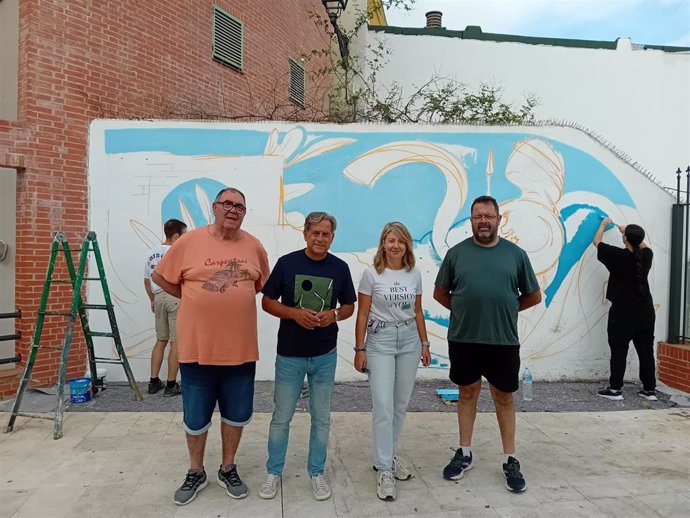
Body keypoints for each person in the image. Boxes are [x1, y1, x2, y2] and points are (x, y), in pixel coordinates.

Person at [152, 187, 270, 506]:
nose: (233, 210)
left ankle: (228, 467)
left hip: (240, 350)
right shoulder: (189, 242)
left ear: (245, 213)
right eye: (227, 204)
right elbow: (161, 277)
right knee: (196, 416)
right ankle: (196, 471)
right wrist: (192, 298)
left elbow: (262, 285)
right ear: (215, 207)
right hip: (197, 350)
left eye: (240, 206)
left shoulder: (254, 246)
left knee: (236, 415)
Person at [433, 195, 541, 493]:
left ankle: (510, 458)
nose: (483, 221)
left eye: (488, 216)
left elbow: (533, 296)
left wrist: (503, 309)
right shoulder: (456, 254)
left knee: (503, 398)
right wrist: (467, 310)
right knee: (467, 394)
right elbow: (440, 293)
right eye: (478, 216)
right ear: (471, 220)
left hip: (503, 340)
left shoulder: (515, 255)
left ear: (498, 219)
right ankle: (464, 452)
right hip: (464, 338)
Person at [258, 211, 356, 502]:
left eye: (325, 234)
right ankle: (273, 472)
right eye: (315, 233)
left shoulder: (340, 268)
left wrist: (335, 314)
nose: (320, 239)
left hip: (325, 354)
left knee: (321, 417)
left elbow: (350, 304)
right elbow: (266, 301)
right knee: (281, 417)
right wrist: (293, 314)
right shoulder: (287, 263)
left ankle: (317, 472)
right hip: (289, 354)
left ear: (332, 237)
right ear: (305, 234)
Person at [353, 222, 431, 501]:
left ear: (407, 245)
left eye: (400, 241)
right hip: (380, 341)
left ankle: (387, 454)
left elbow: (418, 310)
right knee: (383, 404)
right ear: (383, 244)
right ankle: (384, 468)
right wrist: (359, 348)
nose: (395, 245)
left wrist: (424, 343)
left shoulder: (414, 274)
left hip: (409, 340)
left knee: (399, 405)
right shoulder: (371, 274)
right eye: (390, 240)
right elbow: (362, 314)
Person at [593, 217, 657, 401]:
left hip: (622, 313)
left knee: (619, 350)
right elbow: (643, 246)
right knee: (646, 351)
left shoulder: (617, 256)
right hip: (645, 312)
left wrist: (603, 225)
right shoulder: (646, 256)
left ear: (625, 239)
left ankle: (615, 390)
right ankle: (649, 390)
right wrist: (627, 232)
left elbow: (597, 242)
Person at [144, 218, 187, 396]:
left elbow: (147, 280)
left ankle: (153, 382)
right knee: (176, 342)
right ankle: (171, 384)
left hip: (159, 297)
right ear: (176, 235)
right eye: (184, 235)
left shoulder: (152, 253)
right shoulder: (178, 252)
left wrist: (153, 300)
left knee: (161, 340)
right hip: (175, 297)